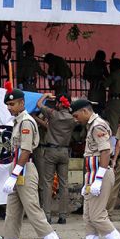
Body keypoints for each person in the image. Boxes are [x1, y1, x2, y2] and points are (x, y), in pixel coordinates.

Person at [0, 87, 71, 239]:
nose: (9, 107)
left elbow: (26, 151)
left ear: (22, 103)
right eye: (7, 104)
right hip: (17, 170)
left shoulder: (25, 122)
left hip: (24, 170)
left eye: (12, 104)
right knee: (12, 216)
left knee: (34, 213)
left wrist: (15, 174)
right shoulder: (18, 121)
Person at [67, 98, 120, 239]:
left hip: (101, 175)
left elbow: (105, 151)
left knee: (97, 216)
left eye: (76, 115)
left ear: (84, 111)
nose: (75, 119)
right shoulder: (92, 125)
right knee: (88, 218)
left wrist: (98, 178)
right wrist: (89, 180)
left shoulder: (98, 125)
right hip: (93, 176)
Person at [35, 93, 73, 224]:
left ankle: (47, 215)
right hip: (64, 151)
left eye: (57, 102)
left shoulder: (53, 114)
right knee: (64, 184)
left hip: (50, 151)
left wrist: (45, 95)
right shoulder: (71, 119)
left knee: (47, 183)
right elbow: (48, 126)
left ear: (60, 104)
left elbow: (39, 104)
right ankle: (63, 216)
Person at [102, 57, 120, 134]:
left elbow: (105, 85)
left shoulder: (113, 75)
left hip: (114, 102)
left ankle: (114, 144)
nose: (109, 67)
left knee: (113, 125)